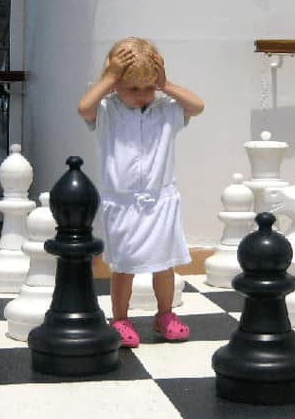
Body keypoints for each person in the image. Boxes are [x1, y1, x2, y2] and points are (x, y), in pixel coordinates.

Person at [77, 37, 205, 347]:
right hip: (121, 202)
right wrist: (109, 78)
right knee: (124, 265)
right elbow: (84, 106)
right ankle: (119, 317)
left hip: (161, 200)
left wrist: (166, 84)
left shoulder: (166, 110)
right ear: (115, 83)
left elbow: (198, 106)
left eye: (148, 88)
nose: (142, 95)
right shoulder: (106, 110)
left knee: (165, 263)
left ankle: (165, 314)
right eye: (133, 88)